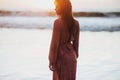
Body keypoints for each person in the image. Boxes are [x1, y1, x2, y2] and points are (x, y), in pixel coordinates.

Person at [48, 0, 80, 80]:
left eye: (57, 7)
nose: (55, 9)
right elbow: (76, 44)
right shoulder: (76, 23)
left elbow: (54, 44)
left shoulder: (58, 23)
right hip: (72, 57)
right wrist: (74, 56)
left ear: (63, 8)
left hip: (60, 57)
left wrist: (51, 60)